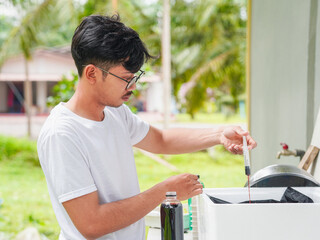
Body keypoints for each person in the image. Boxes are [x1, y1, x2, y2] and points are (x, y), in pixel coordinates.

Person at [37, 14, 257, 240]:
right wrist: (165, 192)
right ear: (92, 73)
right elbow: (91, 224)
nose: (133, 86)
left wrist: (219, 134)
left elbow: (161, 140)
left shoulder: (115, 112)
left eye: (136, 76)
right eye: (125, 78)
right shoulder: (62, 134)